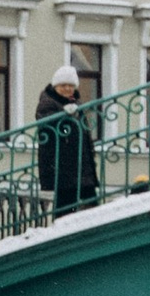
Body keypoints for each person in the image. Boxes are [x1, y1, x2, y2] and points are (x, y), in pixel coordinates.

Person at [34, 59, 100, 215]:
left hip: (82, 166)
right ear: (56, 86)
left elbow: (84, 133)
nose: (67, 89)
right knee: (65, 206)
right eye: (63, 86)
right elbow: (47, 125)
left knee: (91, 206)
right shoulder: (47, 103)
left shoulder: (77, 104)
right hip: (62, 165)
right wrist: (65, 115)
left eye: (71, 86)